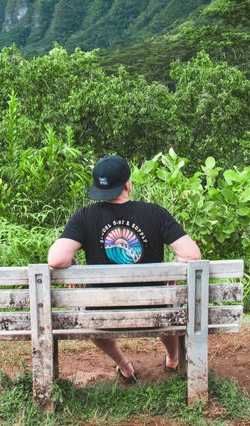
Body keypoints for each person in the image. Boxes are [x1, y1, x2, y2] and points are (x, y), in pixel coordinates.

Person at [47, 154, 201, 384]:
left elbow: (56, 259)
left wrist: (74, 266)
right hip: (155, 311)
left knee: (93, 323)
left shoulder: (84, 217)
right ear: (128, 184)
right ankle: (172, 359)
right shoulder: (155, 213)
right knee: (170, 310)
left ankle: (125, 367)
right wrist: (174, 267)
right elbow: (192, 254)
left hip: (103, 315)